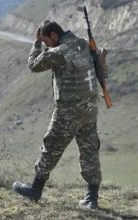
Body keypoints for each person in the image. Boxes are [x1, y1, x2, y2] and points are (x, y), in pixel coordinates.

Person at [13, 20, 102, 209]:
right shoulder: (83, 43)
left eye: (47, 41)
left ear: (54, 36)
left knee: (51, 147)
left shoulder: (58, 52)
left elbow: (33, 65)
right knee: (89, 150)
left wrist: (36, 43)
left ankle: (35, 190)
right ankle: (92, 197)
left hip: (68, 111)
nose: (46, 45)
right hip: (90, 107)